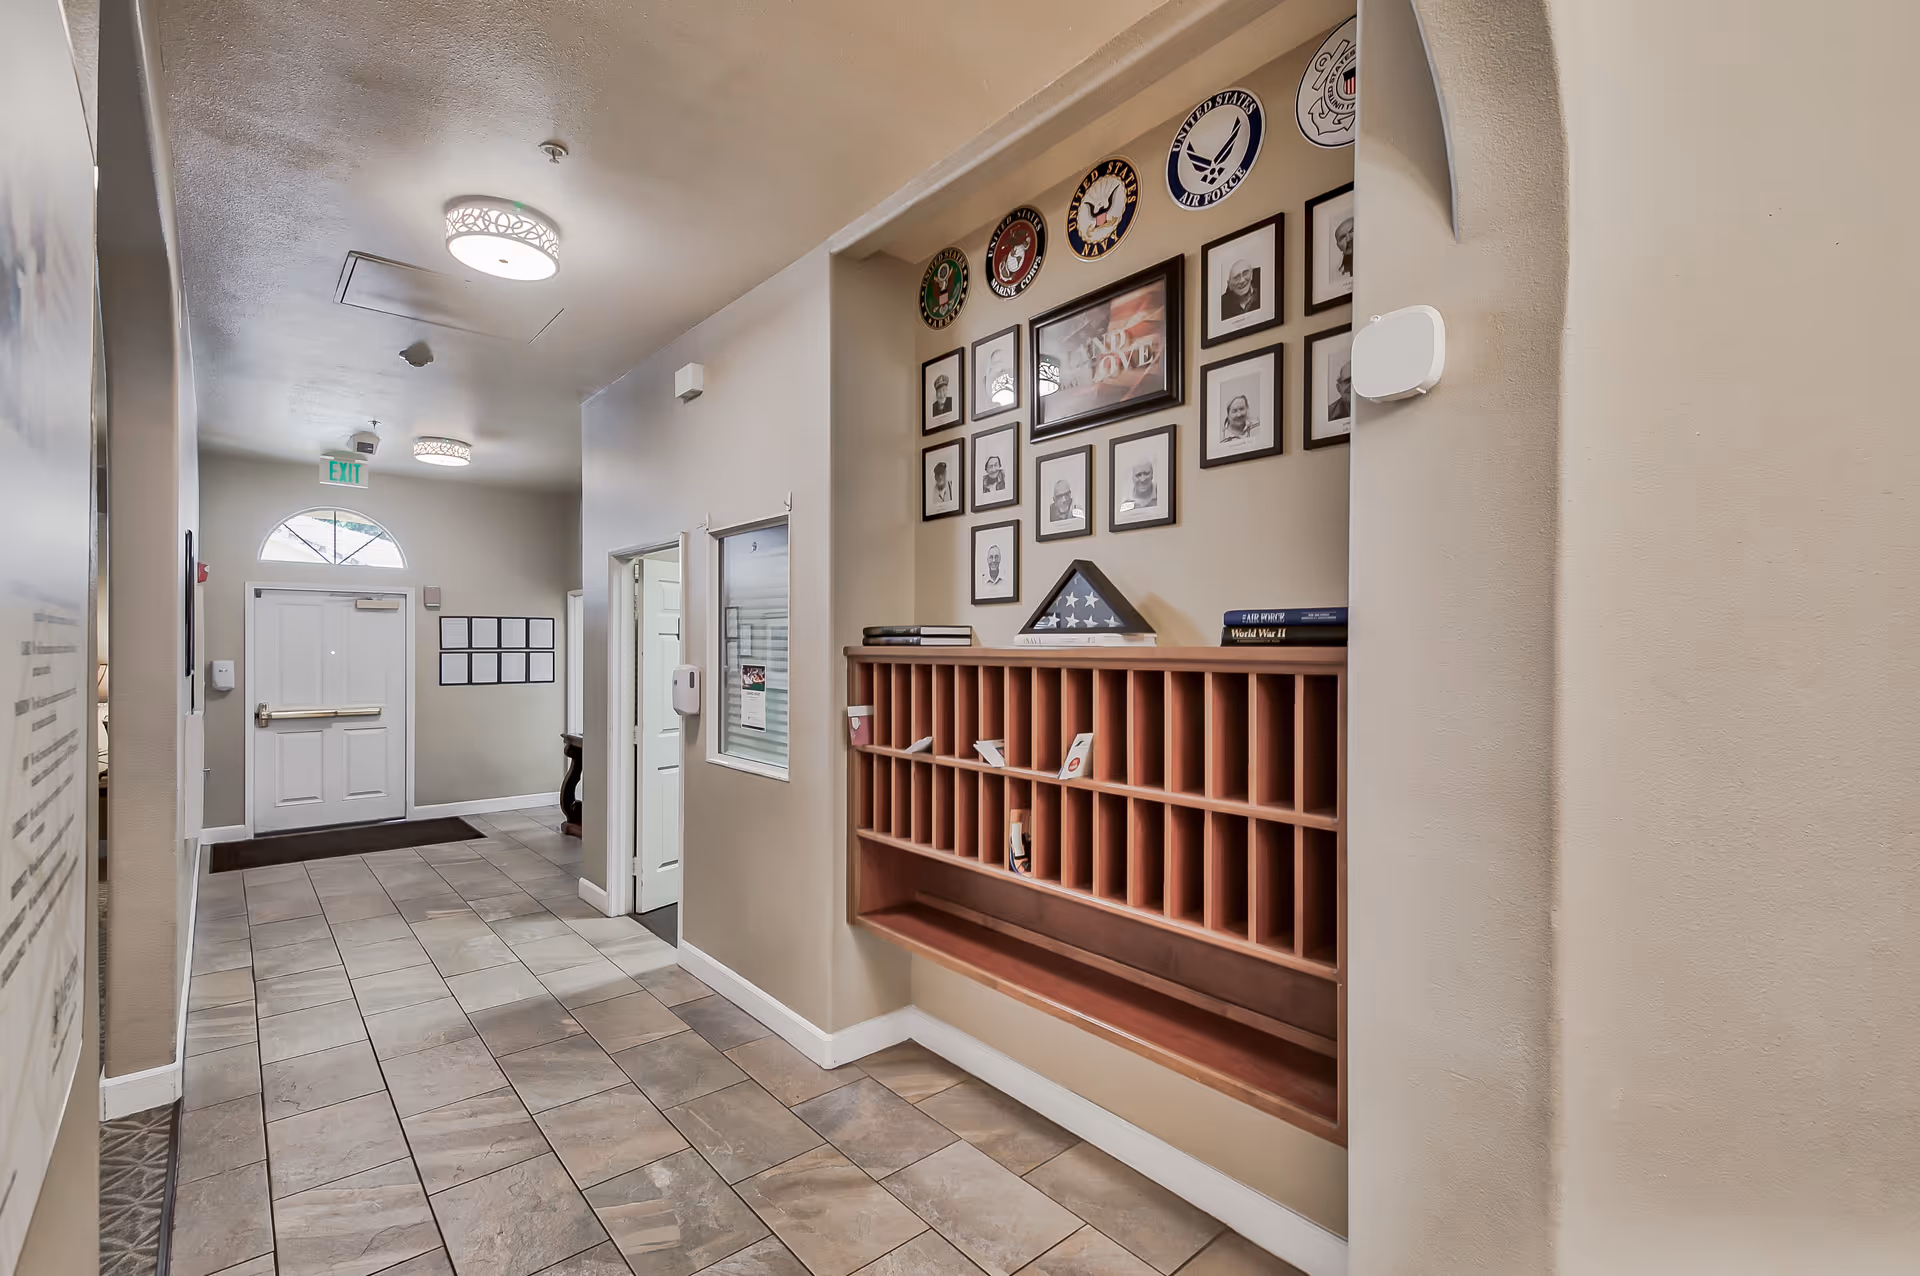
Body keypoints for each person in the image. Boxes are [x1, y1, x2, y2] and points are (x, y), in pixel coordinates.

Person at [1334, 216, 1354, 281]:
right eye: (1342, 237)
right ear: (1338, 246)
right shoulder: (1338, 277)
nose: (1348, 239)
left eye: (1352, 231)